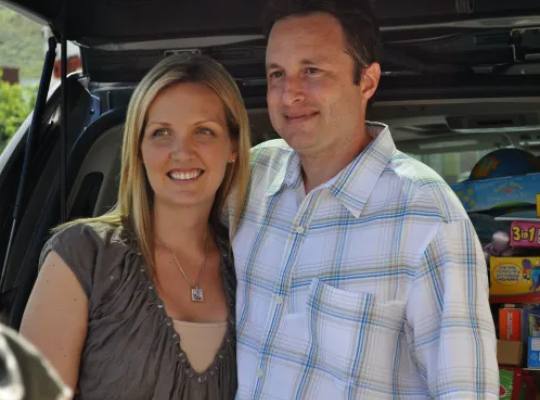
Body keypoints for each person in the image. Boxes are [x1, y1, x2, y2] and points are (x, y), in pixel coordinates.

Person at [224, 0, 499, 398]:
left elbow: (465, 390)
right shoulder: (250, 177)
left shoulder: (428, 215)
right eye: (277, 74)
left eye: (312, 71)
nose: (288, 95)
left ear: (367, 82)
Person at [19, 54, 251, 399]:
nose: (182, 152)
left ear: (233, 146)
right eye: (161, 133)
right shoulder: (83, 255)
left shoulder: (249, 263)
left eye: (204, 131)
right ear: (139, 149)